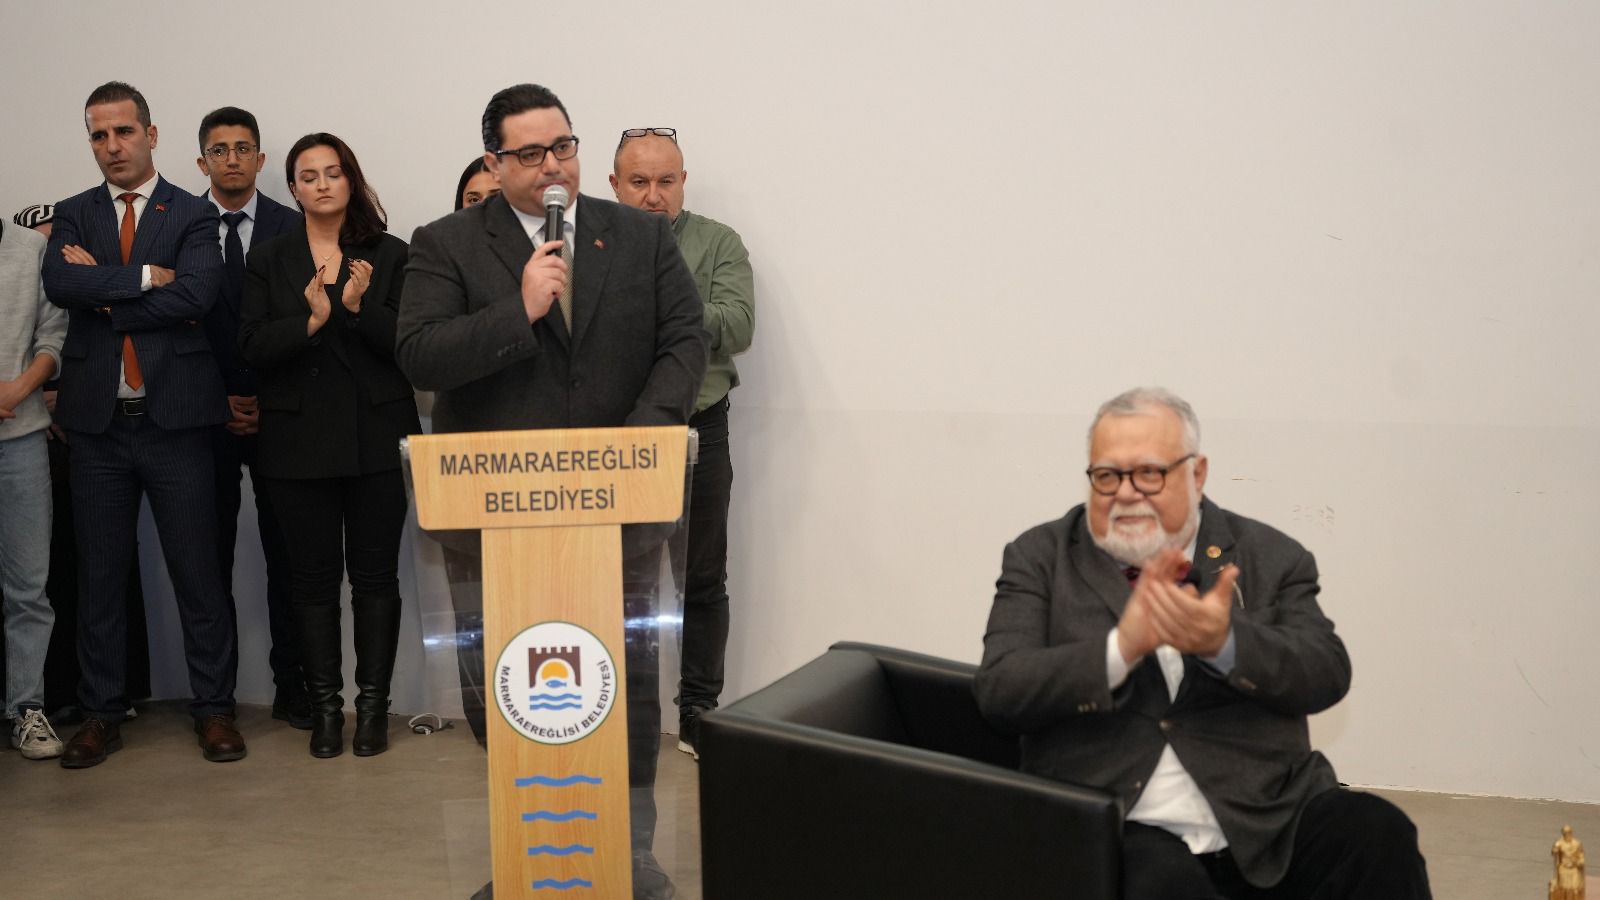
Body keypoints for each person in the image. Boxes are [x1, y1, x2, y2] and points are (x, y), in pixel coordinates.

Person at [397, 83, 706, 900]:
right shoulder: (445, 243)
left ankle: (629, 856)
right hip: (495, 526)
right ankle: (523, 856)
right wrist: (520, 308)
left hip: (619, 516)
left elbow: (684, 340)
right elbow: (420, 354)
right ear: (495, 163)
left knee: (625, 693)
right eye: (531, 154)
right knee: (510, 693)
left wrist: (636, 446)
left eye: (563, 147)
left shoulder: (638, 235)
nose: (553, 167)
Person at [974, 387, 1431, 899]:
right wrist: (1121, 649)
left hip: (1267, 819)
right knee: (1161, 886)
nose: (1126, 493)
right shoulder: (1040, 557)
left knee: (1379, 835)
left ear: (1197, 473)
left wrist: (1225, 643)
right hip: (1121, 826)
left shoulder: (1270, 556)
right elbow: (1001, 689)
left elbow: (1326, 671)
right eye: (1107, 476)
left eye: (1149, 473)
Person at [41, 81, 244, 768]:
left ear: (151, 135)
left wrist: (107, 291)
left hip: (176, 423)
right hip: (96, 428)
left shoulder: (192, 212)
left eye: (123, 132)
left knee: (198, 574)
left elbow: (199, 294)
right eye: (98, 135)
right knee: (99, 578)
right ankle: (101, 713)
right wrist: (147, 279)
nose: (112, 146)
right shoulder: (72, 214)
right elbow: (61, 285)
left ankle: (214, 710)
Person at [240, 133, 419, 759]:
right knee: (312, 582)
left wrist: (357, 308)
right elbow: (252, 346)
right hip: (297, 444)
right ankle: (324, 712)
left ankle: (372, 710)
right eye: (308, 175)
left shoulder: (392, 253)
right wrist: (311, 321)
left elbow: (412, 345)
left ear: (351, 180)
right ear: (293, 187)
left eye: (333, 172)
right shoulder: (269, 257)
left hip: (376, 437)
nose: (321, 184)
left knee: (374, 579)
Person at [609, 127, 754, 759]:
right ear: (614, 185)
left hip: (700, 429)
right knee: (620, 581)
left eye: (666, 181)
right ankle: (625, 710)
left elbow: (738, 325)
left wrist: (665, 300)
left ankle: (697, 709)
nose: (653, 195)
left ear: (683, 182)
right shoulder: (589, 244)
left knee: (700, 579)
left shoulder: (717, 242)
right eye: (639, 182)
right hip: (615, 435)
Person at [194, 106, 307, 729]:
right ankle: (216, 699)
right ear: (202, 162)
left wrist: (266, 396)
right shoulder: (180, 226)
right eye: (220, 149)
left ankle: (293, 686)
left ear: (261, 159)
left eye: (243, 148)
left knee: (288, 556)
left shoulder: (294, 226)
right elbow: (177, 328)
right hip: (203, 417)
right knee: (207, 562)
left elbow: (303, 324)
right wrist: (219, 399)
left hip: (280, 414)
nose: (232, 159)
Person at [1, 212, 67, 759]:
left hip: (20, 441)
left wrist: (17, 389)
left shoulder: (30, 248)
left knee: (28, 587)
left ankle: (27, 708)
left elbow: (53, 336)